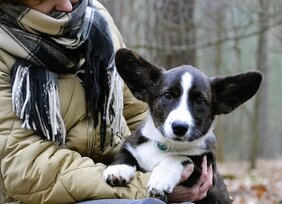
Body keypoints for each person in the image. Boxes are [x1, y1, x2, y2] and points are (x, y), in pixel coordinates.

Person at [0, 0, 213, 203]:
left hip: (118, 177)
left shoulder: (96, 19)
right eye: (42, 1)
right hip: (40, 195)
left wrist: (175, 170)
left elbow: (139, 115)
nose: (66, 5)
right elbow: (27, 170)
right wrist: (145, 187)